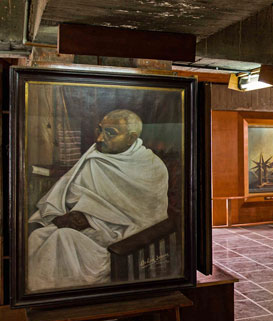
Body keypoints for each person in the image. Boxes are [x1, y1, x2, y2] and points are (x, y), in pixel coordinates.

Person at [27, 109, 169, 292]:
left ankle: (58, 300)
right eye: (100, 130)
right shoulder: (95, 156)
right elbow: (69, 194)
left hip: (121, 241)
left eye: (110, 133)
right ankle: (37, 297)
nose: (100, 139)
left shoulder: (152, 166)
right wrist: (68, 215)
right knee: (37, 237)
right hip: (83, 228)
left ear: (131, 138)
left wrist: (90, 219)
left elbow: (147, 219)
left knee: (62, 239)